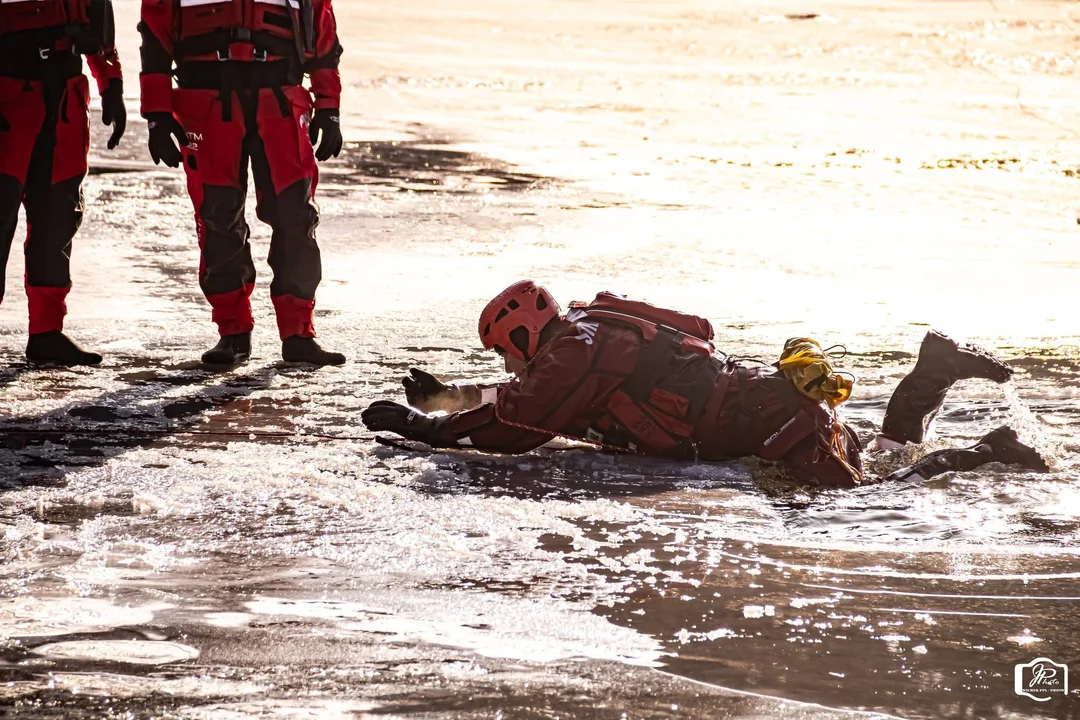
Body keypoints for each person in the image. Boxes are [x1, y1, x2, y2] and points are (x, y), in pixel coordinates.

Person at [361, 280, 1049, 487]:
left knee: (874, 487)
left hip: (765, 423)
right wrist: (449, 396)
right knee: (886, 450)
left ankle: (992, 448)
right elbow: (699, 325)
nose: (507, 364)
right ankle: (931, 370)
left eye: (503, 351)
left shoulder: (572, 353)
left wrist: (425, 430)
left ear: (518, 332)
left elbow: (517, 424)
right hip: (767, 400)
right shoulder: (592, 324)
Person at [139, 0, 346, 366]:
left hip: (281, 98)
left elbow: (323, 31)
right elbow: (155, 35)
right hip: (204, 102)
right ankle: (232, 332)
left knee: (296, 216)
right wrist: (156, 112)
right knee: (218, 216)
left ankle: (299, 333)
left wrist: (329, 106)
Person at [0, 0, 126, 365]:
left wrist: (112, 85)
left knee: (58, 217)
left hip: (64, 99)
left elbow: (98, 19)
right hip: (8, 98)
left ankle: (46, 332)